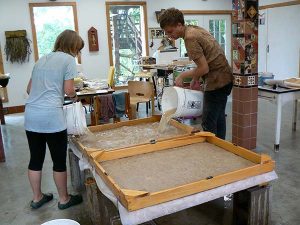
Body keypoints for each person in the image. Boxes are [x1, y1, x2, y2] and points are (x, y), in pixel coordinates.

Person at [25, 30, 84, 209]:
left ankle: (37, 198)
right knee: (58, 160)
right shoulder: (68, 60)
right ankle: (64, 199)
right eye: (77, 49)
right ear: (72, 46)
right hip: (52, 117)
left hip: (31, 115)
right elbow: (69, 90)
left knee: (35, 158)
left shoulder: (42, 59)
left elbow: (29, 89)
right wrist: (75, 96)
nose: (77, 53)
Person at [159, 8, 233, 139]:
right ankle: (222, 148)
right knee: (219, 116)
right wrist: (196, 78)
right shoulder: (194, 29)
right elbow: (206, 60)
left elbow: (204, 68)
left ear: (179, 25)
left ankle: (213, 154)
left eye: (170, 31)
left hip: (217, 82)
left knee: (208, 123)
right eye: (167, 33)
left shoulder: (189, 38)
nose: (169, 35)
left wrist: (182, 75)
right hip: (226, 78)